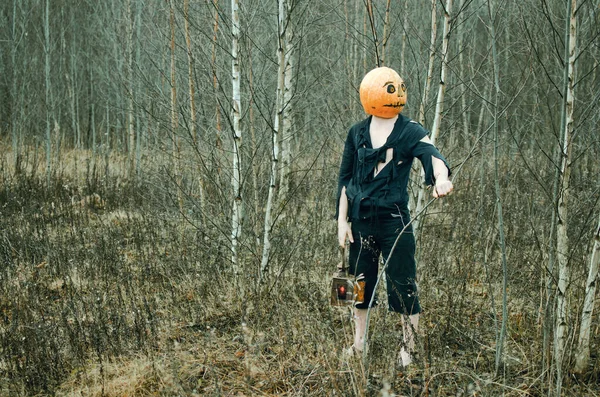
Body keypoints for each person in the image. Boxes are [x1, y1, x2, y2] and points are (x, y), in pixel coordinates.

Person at [336, 66, 453, 367]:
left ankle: (408, 349)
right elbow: (345, 180)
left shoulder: (409, 130)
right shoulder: (357, 132)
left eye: (397, 89)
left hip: (395, 221)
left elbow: (432, 154)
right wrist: (342, 221)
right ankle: (358, 343)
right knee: (359, 284)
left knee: (403, 283)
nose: (395, 95)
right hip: (360, 221)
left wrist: (440, 178)